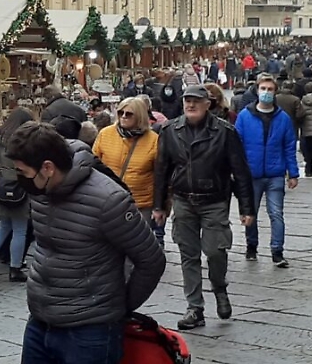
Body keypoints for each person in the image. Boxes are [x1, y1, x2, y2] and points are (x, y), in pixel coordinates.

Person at [7, 122, 165, 364]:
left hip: (90, 331)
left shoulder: (109, 200)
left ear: (48, 168)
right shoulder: (40, 190)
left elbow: (151, 259)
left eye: (23, 172)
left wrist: (120, 306)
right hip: (40, 320)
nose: (20, 179)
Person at [153, 84, 255, 331]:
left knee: (215, 251)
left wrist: (247, 208)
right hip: (184, 201)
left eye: (196, 101)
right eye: (187, 100)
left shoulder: (224, 132)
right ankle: (195, 308)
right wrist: (159, 206)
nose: (190, 105)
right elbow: (162, 170)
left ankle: (219, 289)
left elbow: (240, 172)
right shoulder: (170, 130)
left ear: (207, 104)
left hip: (214, 201)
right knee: (188, 255)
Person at [234, 73, 299, 268]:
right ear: (257, 90)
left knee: (276, 213)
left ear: (275, 92)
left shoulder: (283, 118)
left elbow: (289, 146)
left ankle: (277, 251)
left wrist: (293, 173)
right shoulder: (244, 116)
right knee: (250, 212)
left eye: (270, 89)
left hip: (274, 174)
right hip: (251, 174)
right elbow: (236, 146)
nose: (266, 92)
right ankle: (251, 246)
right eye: (263, 89)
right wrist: (236, 171)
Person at [93, 97, 164, 246]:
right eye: (121, 113)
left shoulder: (154, 141)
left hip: (140, 204)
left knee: (136, 247)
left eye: (129, 113)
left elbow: (161, 176)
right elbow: (93, 165)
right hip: (107, 202)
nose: (124, 116)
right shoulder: (106, 134)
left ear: (140, 116)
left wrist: (160, 207)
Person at [0, 108, 34, 282]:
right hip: (20, 188)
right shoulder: (26, 142)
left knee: (3, 226)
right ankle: (15, 268)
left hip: (1, 187)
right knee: (19, 229)